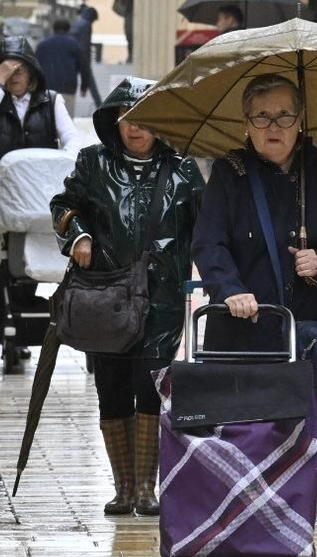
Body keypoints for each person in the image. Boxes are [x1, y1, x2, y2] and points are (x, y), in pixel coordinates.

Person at [52, 78, 204, 516]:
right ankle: (122, 488)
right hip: (108, 297)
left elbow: (206, 230)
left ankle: (145, 489)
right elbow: (63, 206)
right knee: (111, 389)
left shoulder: (183, 172)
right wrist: (77, 235)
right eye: (124, 120)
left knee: (151, 388)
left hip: (162, 301)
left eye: (142, 120)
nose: (133, 129)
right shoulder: (93, 164)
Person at [192, 73, 317, 400]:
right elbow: (209, 243)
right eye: (262, 116)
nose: (274, 126)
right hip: (240, 339)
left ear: (300, 121)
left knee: (304, 443)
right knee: (239, 441)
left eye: (284, 116)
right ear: (246, 123)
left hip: (306, 340)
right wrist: (230, 290)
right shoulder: (228, 173)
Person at [0, 36, 87, 261]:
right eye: (6, 71)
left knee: (33, 250)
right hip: (2, 191)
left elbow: (72, 139)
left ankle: (24, 295)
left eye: (18, 70)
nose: (13, 77)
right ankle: (6, 295)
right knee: (2, 254)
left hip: (38, 189)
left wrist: (61, 167)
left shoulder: (51, 101)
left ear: (31, 71)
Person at [36, 19, 90, 113]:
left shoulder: (42, 45)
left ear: (53, 29)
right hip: (68, 87)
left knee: (46, 120)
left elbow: (34, 66)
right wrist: (84, 87)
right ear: (68, 30)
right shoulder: (75, 45)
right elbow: (84, 67)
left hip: (46, 88)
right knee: (66, 120)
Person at [69, 4, 103, 114]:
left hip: (72, 58)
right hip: (81, 59)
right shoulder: (86, 25)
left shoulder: (77, 22)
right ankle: (100, 108)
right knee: (91, 84)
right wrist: (86, 62)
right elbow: (84, 45)